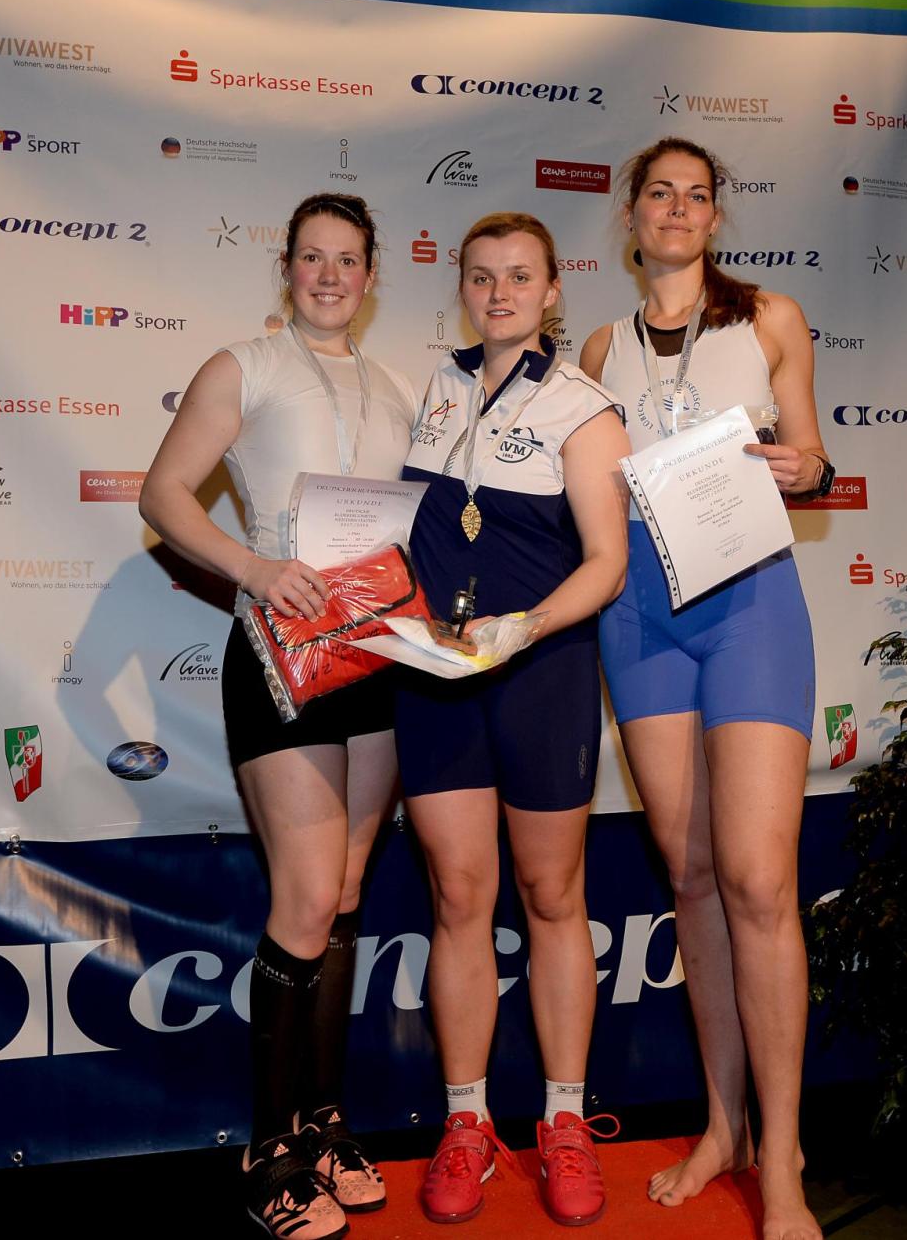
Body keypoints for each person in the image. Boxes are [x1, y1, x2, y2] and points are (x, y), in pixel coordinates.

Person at [139, 193, 418, 1240]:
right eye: (312, 257)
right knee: (303, 898)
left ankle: (323, 1121)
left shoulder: (395, 388)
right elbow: (164, 494)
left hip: (379, 654)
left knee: (342, 893)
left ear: (371, 275)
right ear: (287, 268)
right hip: (279, 651)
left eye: (347, 260)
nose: (329, 275)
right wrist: (254, 568)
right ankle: (268, 1149)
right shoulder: (243, 367)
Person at [580, 137, 833, 1240]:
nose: (677, 210)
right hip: (640, 614)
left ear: (715, 217)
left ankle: (782, 1157)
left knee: (757, 881)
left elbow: (813, 454)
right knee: (689, 877)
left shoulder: (768, 318)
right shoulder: (599, 347)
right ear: (631, 216)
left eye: (696, 196)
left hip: (748, 603)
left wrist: (806, 467)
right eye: (659, 194)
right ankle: (723, 1124)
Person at [396, 213, 630, 1227]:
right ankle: (465, 1122)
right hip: (435, 673)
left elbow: (607, 562)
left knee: (549, 891)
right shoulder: (429, 389)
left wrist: (524, 626)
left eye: (519, 277)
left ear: (551, 291)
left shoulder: (584, 406)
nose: (499, 293)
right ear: (462, 288)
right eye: (482, 276)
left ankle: (565, 1120)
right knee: (457, 893)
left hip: (541, 671)